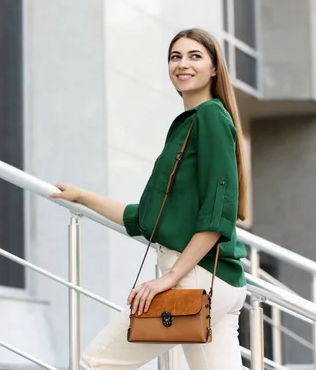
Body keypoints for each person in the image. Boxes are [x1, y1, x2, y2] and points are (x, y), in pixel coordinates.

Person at [50, 28, 249, 370]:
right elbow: (145, 217)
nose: (182, 64)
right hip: (217, 283)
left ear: (215, 68)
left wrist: (168, 279)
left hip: (194, 278)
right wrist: (83, 196)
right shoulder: (192, 122)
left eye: (194, 56)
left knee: (95, 363)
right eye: (175, 57)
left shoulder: (210, 118)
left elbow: (217, 216)